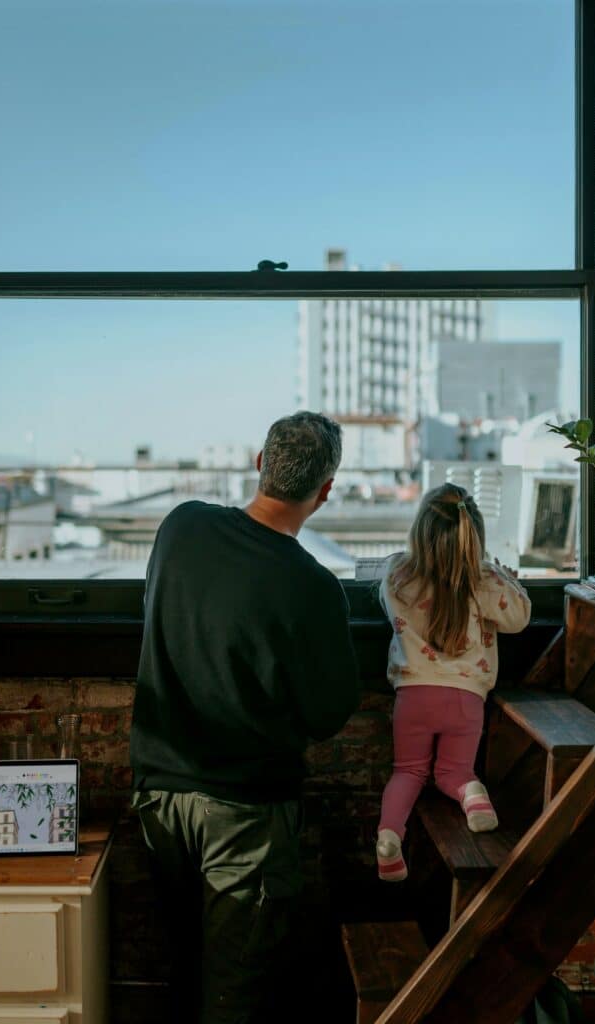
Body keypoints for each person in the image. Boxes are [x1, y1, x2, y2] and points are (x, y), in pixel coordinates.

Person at [130, 411, 360, 1023]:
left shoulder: (180, 527)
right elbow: (327, 714)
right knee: (236, 992)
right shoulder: (312, 588)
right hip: (245, 814)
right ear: (325, 491)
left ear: (259, 464)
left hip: (160, 798)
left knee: (181, 968)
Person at [375, 483, 531, 882]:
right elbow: (519, 619)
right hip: (466, 701)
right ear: (473, 534)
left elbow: (387, 602)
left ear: (420, 530)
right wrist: (509, 580)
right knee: (455, 772)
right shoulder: (486, 579)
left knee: (407, 772)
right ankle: (476, 801)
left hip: (413, 698)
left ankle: (389, 838)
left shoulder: (397, 573)